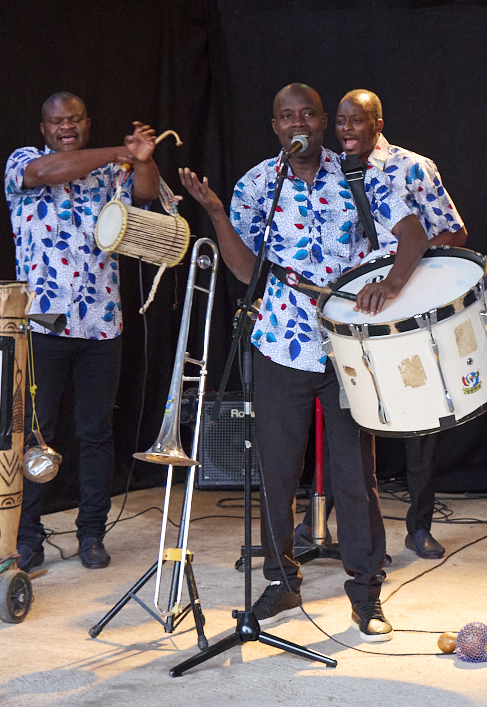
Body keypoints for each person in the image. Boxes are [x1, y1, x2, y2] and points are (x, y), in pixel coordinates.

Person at [178, 83, 428, 642]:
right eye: (287, 116)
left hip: (348, 346)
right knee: (277, 470)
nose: (299, 124)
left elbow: (413, 233)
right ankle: (281, 581)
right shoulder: (257, 185)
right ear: (275, 126)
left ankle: (366, 590)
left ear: (322, 120)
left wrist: (390, 284)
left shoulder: (360, 175)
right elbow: (247, 272)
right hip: (281, 341)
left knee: (354, 473)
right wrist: (215, 212)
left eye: (308, 114)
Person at [6, 92, 160, 572]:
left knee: (96, 434)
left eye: (74, 119)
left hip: (101, 322)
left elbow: (146, 195)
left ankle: (92, 533)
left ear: (87, 124)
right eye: (57, 121)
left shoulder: (112, 171)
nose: (66, 126)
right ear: (44, 128)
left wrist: (142, 159)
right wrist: (120, 151)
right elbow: (47, 172)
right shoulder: (23, 161)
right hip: (43, 322)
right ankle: (27, 537)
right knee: (37, 433)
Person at [333, 88, 467, 560]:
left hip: (405, 299)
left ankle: (419, 526)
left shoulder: (412, 167)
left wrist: (400, 276)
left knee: (421, 420)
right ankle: (340, 528)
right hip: (354, 307)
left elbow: (454, 231)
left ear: (378, 124)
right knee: (350, 416)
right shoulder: (331, 171)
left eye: (356, 120)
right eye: (340, 121)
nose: (346, 129)